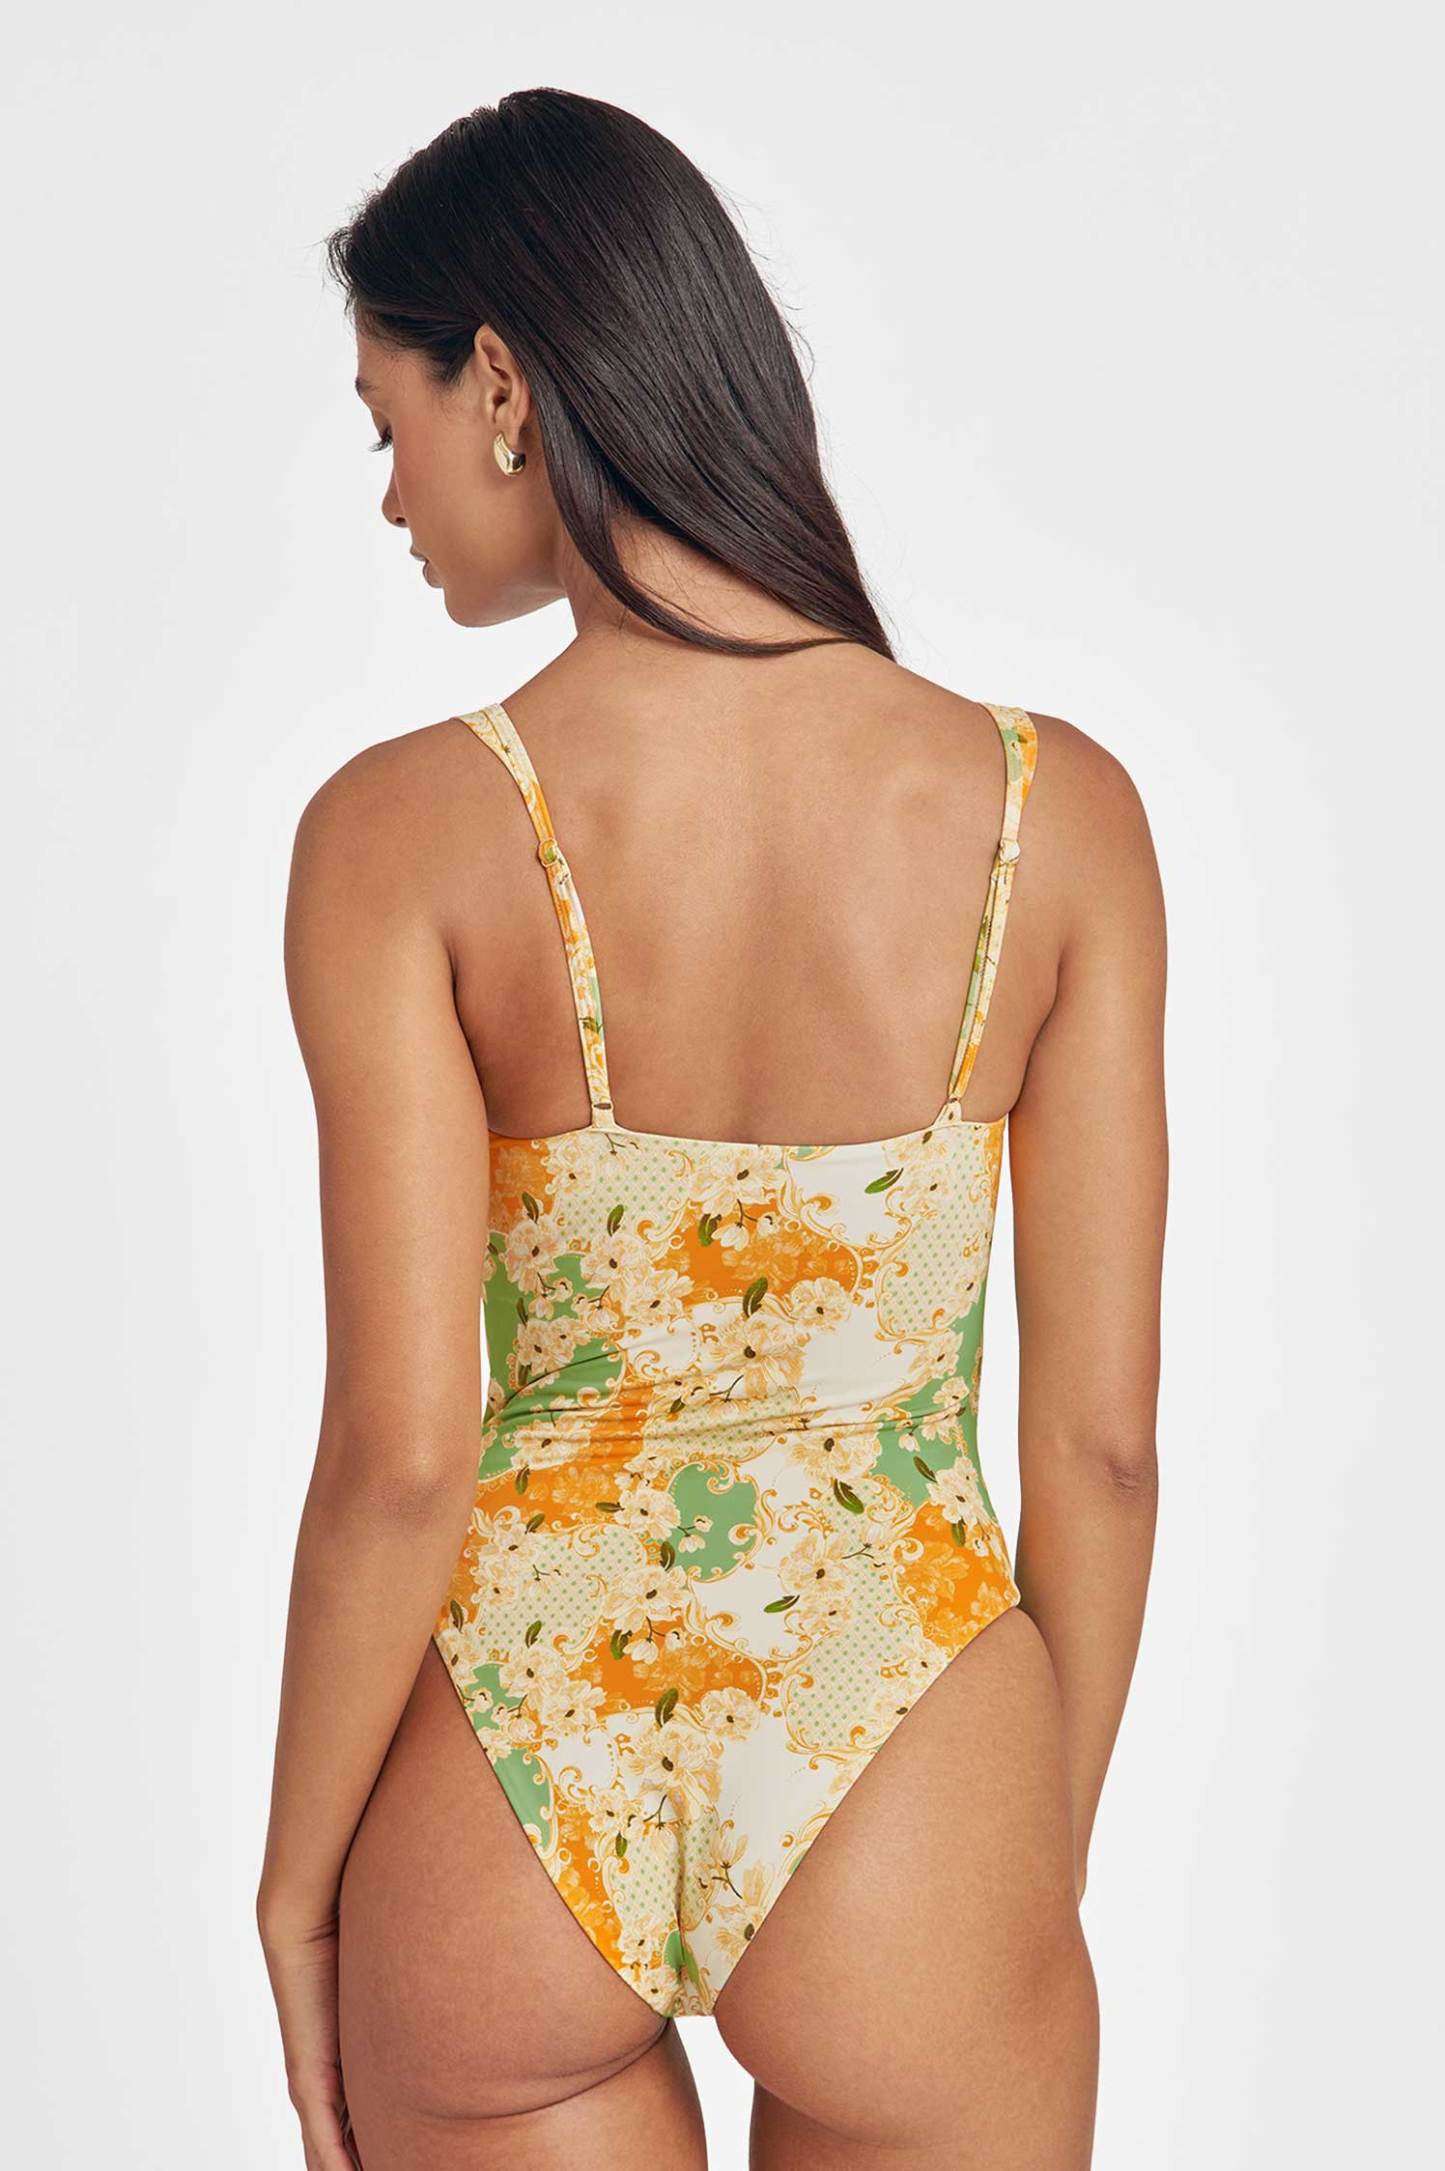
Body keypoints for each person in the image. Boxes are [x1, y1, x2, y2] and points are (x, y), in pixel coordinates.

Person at [256, 86, 1166, 2171]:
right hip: (910, 1729)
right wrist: (1016, 1860)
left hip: (516, 1760)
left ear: (502, 387)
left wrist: (301, 1890)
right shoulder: (1057, 818)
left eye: (387, 419)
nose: (389, 494)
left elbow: (400, 1457)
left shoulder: (396, 838)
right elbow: (1102, 1449)